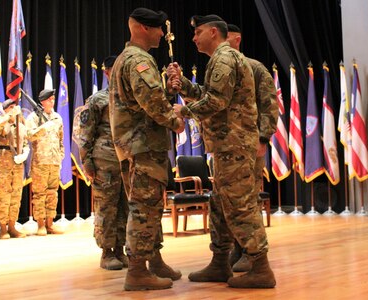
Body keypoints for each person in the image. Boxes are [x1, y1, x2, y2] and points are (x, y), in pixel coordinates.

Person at [168, 15, 276, 289]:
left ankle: (260, 266)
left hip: (234, 145)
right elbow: (211, 93)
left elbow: (216, 101)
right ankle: (220, 262)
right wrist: (186, 86)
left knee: (240, 204)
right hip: (227, 146)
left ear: (213, 32)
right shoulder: (222, 59)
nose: (194, 38)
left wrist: (185, 110)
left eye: (198, 32)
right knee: (220, 204)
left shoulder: (225, 58)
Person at [108, 7, 185, 291]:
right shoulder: (139, 60)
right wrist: (175, 119)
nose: (162, 34)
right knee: (144, 208)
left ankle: (155, 260)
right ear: (142, 28)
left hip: (136, 145)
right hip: (143, 146)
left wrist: (168, 86)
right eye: (157, 28)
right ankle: (138, 270)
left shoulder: (126, 59)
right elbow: (152, 102)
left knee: (150, 206)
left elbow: (146, 99)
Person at [226, 23, 279, 272]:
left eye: (226, 38)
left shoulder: (255, 68)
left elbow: (269, 104)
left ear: (237, 39)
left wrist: (264, 138)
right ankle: (236, 248)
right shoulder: (222, 67)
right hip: (227, 145)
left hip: (249, 143)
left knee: (248, 199)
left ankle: (251, 252)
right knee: (229, 201)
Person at [75, 55, 129, 270]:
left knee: (125, 207)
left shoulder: (130, 97)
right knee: (106, 207)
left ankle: (120, 249)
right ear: (106, 72)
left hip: (126, 160)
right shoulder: (97, 99)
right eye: (114, 69)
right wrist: (86, 160)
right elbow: (85, 133)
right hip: (105, 160)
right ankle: (107, 252)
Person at [26, 89, 64, 236]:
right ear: (42, 101)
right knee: (39, 194)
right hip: (40, 162)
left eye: (53, 99)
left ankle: (50, 223)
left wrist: (61, 156)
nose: (52, 102)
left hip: (54, 161)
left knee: (52, 193)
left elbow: (61, 139)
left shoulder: (57, 118)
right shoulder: (33, 118)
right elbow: (29, 135)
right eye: (49, 100)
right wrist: (42, 128)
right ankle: (40, 224)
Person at [0, 99, 30, 239]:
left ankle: (12, 225)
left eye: (15, 106)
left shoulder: (21, 125)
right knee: (3, 195)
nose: (14, 108)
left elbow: (25, 142)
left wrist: (25, 153)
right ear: (5, 109)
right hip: (4, 161)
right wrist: (9, 116)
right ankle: (3, 228)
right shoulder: (1, 121)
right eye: (10, 107)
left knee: (16, 194)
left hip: (18, 163)